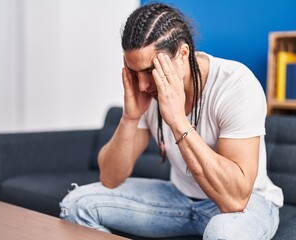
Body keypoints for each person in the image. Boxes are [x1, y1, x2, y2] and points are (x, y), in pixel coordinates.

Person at [59, 2, 283, 239]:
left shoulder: (236, 86)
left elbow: (234, 200)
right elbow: (110, 178)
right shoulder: (147, 92)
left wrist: (178, 121)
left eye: (149, 70)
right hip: (178, 199)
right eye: (135, 73)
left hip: (247, 204)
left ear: (183, 54)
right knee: (76, 204)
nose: (143, 85)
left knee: (224, 234)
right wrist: (130, 117)